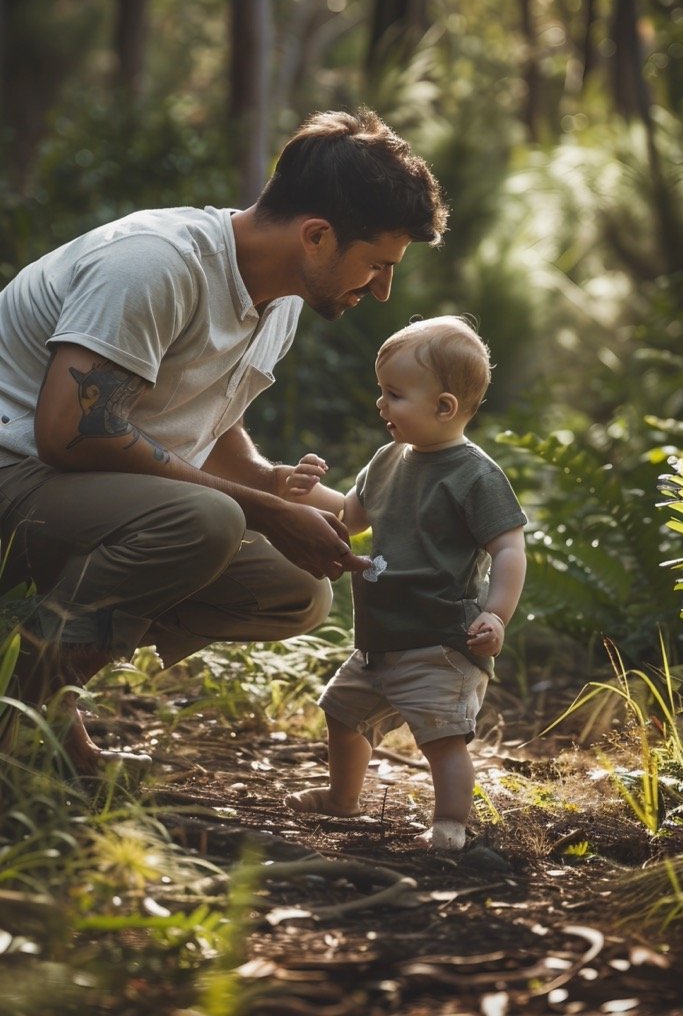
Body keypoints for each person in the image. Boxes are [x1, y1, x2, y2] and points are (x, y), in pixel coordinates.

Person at [0, 108, 448, 773]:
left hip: (74, 489)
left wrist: (287, 490)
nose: (381, 291)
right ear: (317, 236)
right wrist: (261, 510)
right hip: (20, 467)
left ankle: (40, 700)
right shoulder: (154, 265)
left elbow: (205, 414)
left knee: (294, 586)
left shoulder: (282, 297)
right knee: (204, 522)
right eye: (376, 265)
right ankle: (17, 729)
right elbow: (71, 431)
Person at [283, 315, 527, 851]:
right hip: (379, 639)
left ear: (443, 406)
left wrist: (496, 613)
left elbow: (508, 547)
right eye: (381, 392)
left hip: (441, 640)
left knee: (443, 739)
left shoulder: (475, 475)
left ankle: (450, 826)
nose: (380, 405)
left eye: (393, 394)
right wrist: (303, 493)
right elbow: (352, 516)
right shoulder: (387, 459)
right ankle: (343, 800)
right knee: (342, 715)